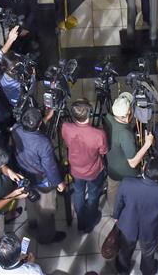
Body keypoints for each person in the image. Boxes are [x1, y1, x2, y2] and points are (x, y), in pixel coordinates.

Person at [11, 107, 67, 245]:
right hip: (41, 179)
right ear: (39, 124)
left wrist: (47, 118)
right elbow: (50, 167)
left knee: (30, 199)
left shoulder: (16, 128)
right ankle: (46, 237)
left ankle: (32, 223)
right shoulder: (43, 143)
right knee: (46, 211)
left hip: (24, 174)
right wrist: (59, 182)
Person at [111, 157, 158, 275]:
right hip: (150, 229)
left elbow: (118, 202)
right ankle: (147, 271)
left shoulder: (127, 182)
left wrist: (116, 216)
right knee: (148, 254)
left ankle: (123, 270)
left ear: (144, 168)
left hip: (128, 224)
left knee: (125, 250)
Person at [60, 99, 108, 233]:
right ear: (89, 114)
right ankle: (90, 220)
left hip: (75, 169)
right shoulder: (99, 134)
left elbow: (66, 143)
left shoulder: (65, 127)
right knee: (93, 195)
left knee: (79, 193)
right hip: (93, 171)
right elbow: (103, 151)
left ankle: (81, 221)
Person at [106, 92, 155, 213]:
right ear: (128, 113)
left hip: (111, 168)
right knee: (129, 195)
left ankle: (114, 212)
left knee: (112, 191)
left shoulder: (108, 118)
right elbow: (133, 163)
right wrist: (147, 144)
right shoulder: (126, 135)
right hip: (126, 174)